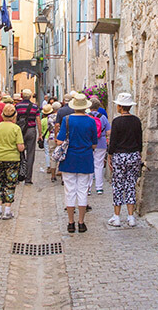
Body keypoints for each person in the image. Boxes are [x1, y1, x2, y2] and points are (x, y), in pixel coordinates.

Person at [57, 93, 98, 233]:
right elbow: (94, 144)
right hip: (85, 159)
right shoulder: (91, 121)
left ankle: (70, 222)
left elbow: (60, 141)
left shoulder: (66, 120)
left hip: (69, 159)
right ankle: (81, 222)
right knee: (83, 191)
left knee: (69, 191)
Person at [107, 93, 143, 227]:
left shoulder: (117, 122)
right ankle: (130, 217)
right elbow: (139, 140)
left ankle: (117, 216)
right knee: (130, 185)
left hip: (119, 156)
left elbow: (113, 141)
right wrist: (139, 154)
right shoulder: (136, 121)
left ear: (121, 107)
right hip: (133, 155)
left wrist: (110, 155)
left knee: (118, 185)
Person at [0, 104, 25, 219]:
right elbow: (20, 147)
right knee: (10, 183)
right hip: (12, 159)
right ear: (15, 116)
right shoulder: (16, 128)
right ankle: (7, 211)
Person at [15, 89, 40, 184]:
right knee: (30, 154)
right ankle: (28, 179)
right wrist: (40, 134)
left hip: (19, 131)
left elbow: (14, 118)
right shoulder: (34, 107)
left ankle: (18, 176)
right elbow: (38, 120)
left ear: (22, 96)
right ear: (30, 97)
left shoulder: (17, 106)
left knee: (18, 153)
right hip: (31, 130)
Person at [89, 96, 111, 195]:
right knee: (99, 165)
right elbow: (109, 131)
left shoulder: (86, 116)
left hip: (89, 143)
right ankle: (99, 187)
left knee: (89, 165)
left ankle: (88, 188)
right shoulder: (102, 117)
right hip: (101, 142)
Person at [45, 101, 62, 182]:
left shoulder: (49, 117)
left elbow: (49, 128)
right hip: (60, 137)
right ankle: (61, 173)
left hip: (52, 136)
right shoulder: (62, 116)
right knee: (61, 155)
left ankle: (52, 175)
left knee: (52, 155)